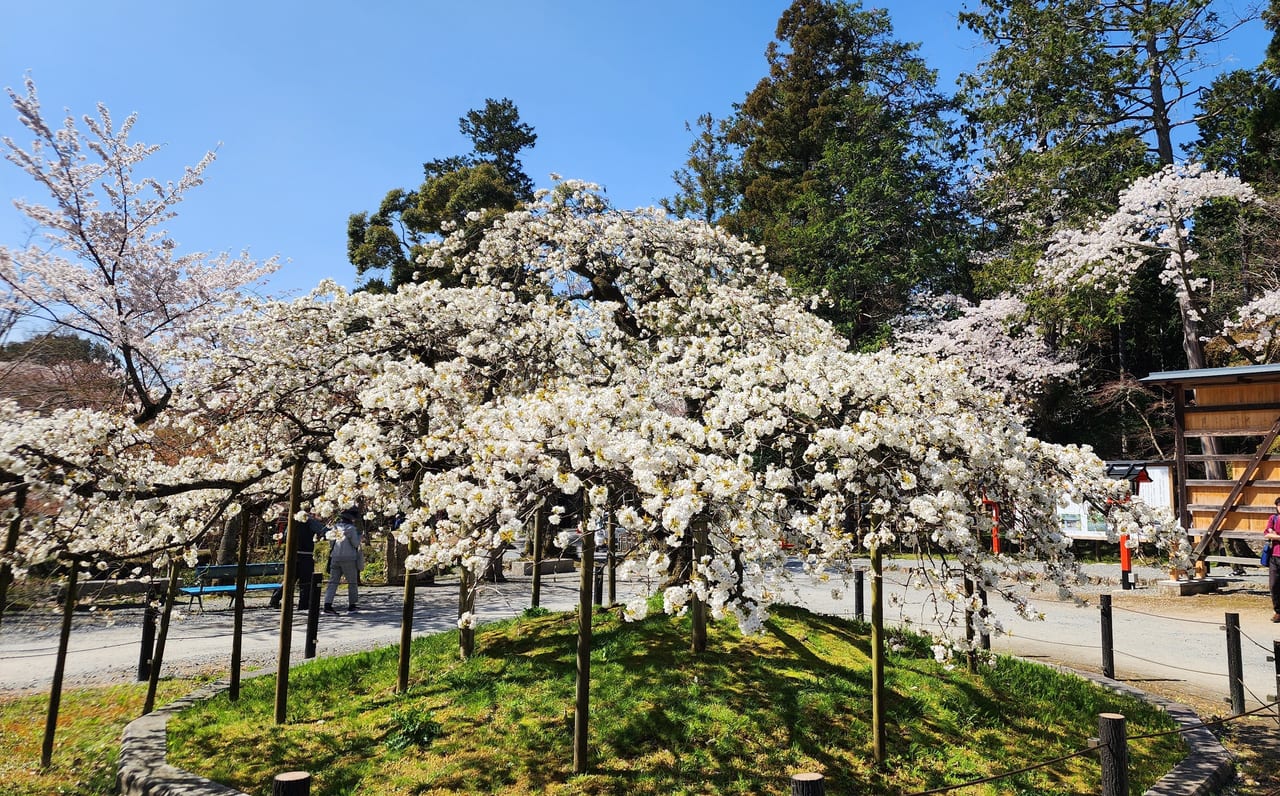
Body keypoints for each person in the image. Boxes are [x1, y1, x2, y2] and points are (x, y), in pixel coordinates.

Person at [269, 513, 326, 610]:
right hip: (306, 554)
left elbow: (285, 536)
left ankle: (275, 598)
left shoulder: (293, 520)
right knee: (306, 582)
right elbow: (323, 530)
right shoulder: (310, 520)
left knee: (289, 579)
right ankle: (303, 604)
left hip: (292, 555)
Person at [323, 508, 364, 614]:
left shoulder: (335, 527)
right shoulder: (351, 528)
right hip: (349, 558)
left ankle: (327, 605)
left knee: (333, 582)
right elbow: (355, 544)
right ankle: (352, 605)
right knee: (352, 582)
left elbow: (331, 543)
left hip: (335, 556)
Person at [1266, 497, 1280, 623]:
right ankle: (1278, 611)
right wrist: (1277, 536)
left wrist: (1275, 534)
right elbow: (1267, 533)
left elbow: (1272, 533)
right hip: (1275, 556)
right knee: (1274, 585)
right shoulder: (1273, 518)